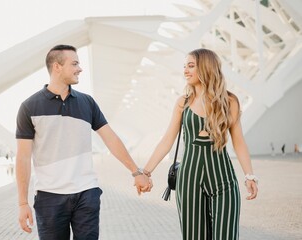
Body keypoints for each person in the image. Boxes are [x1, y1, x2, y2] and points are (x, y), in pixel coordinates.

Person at [15, 44, 152, 240]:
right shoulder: (29, 107)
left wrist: (136, 172)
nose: (80, 68)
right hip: (49, 197)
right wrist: (22, 203)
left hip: (86, 194)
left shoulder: (87, 102)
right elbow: (23, 157)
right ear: (57, 67)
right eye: (75, 63)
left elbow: (111, 138)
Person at [143, 48, 258, 239]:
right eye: (184, 66)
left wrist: (250, 175)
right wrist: (145, 172)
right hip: (190, 180)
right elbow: (167, 140)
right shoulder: (183, 102)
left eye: (191, 66)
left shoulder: (229, 102)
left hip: (224, 180)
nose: (185, 71)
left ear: (205, 67)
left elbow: (239, 142)